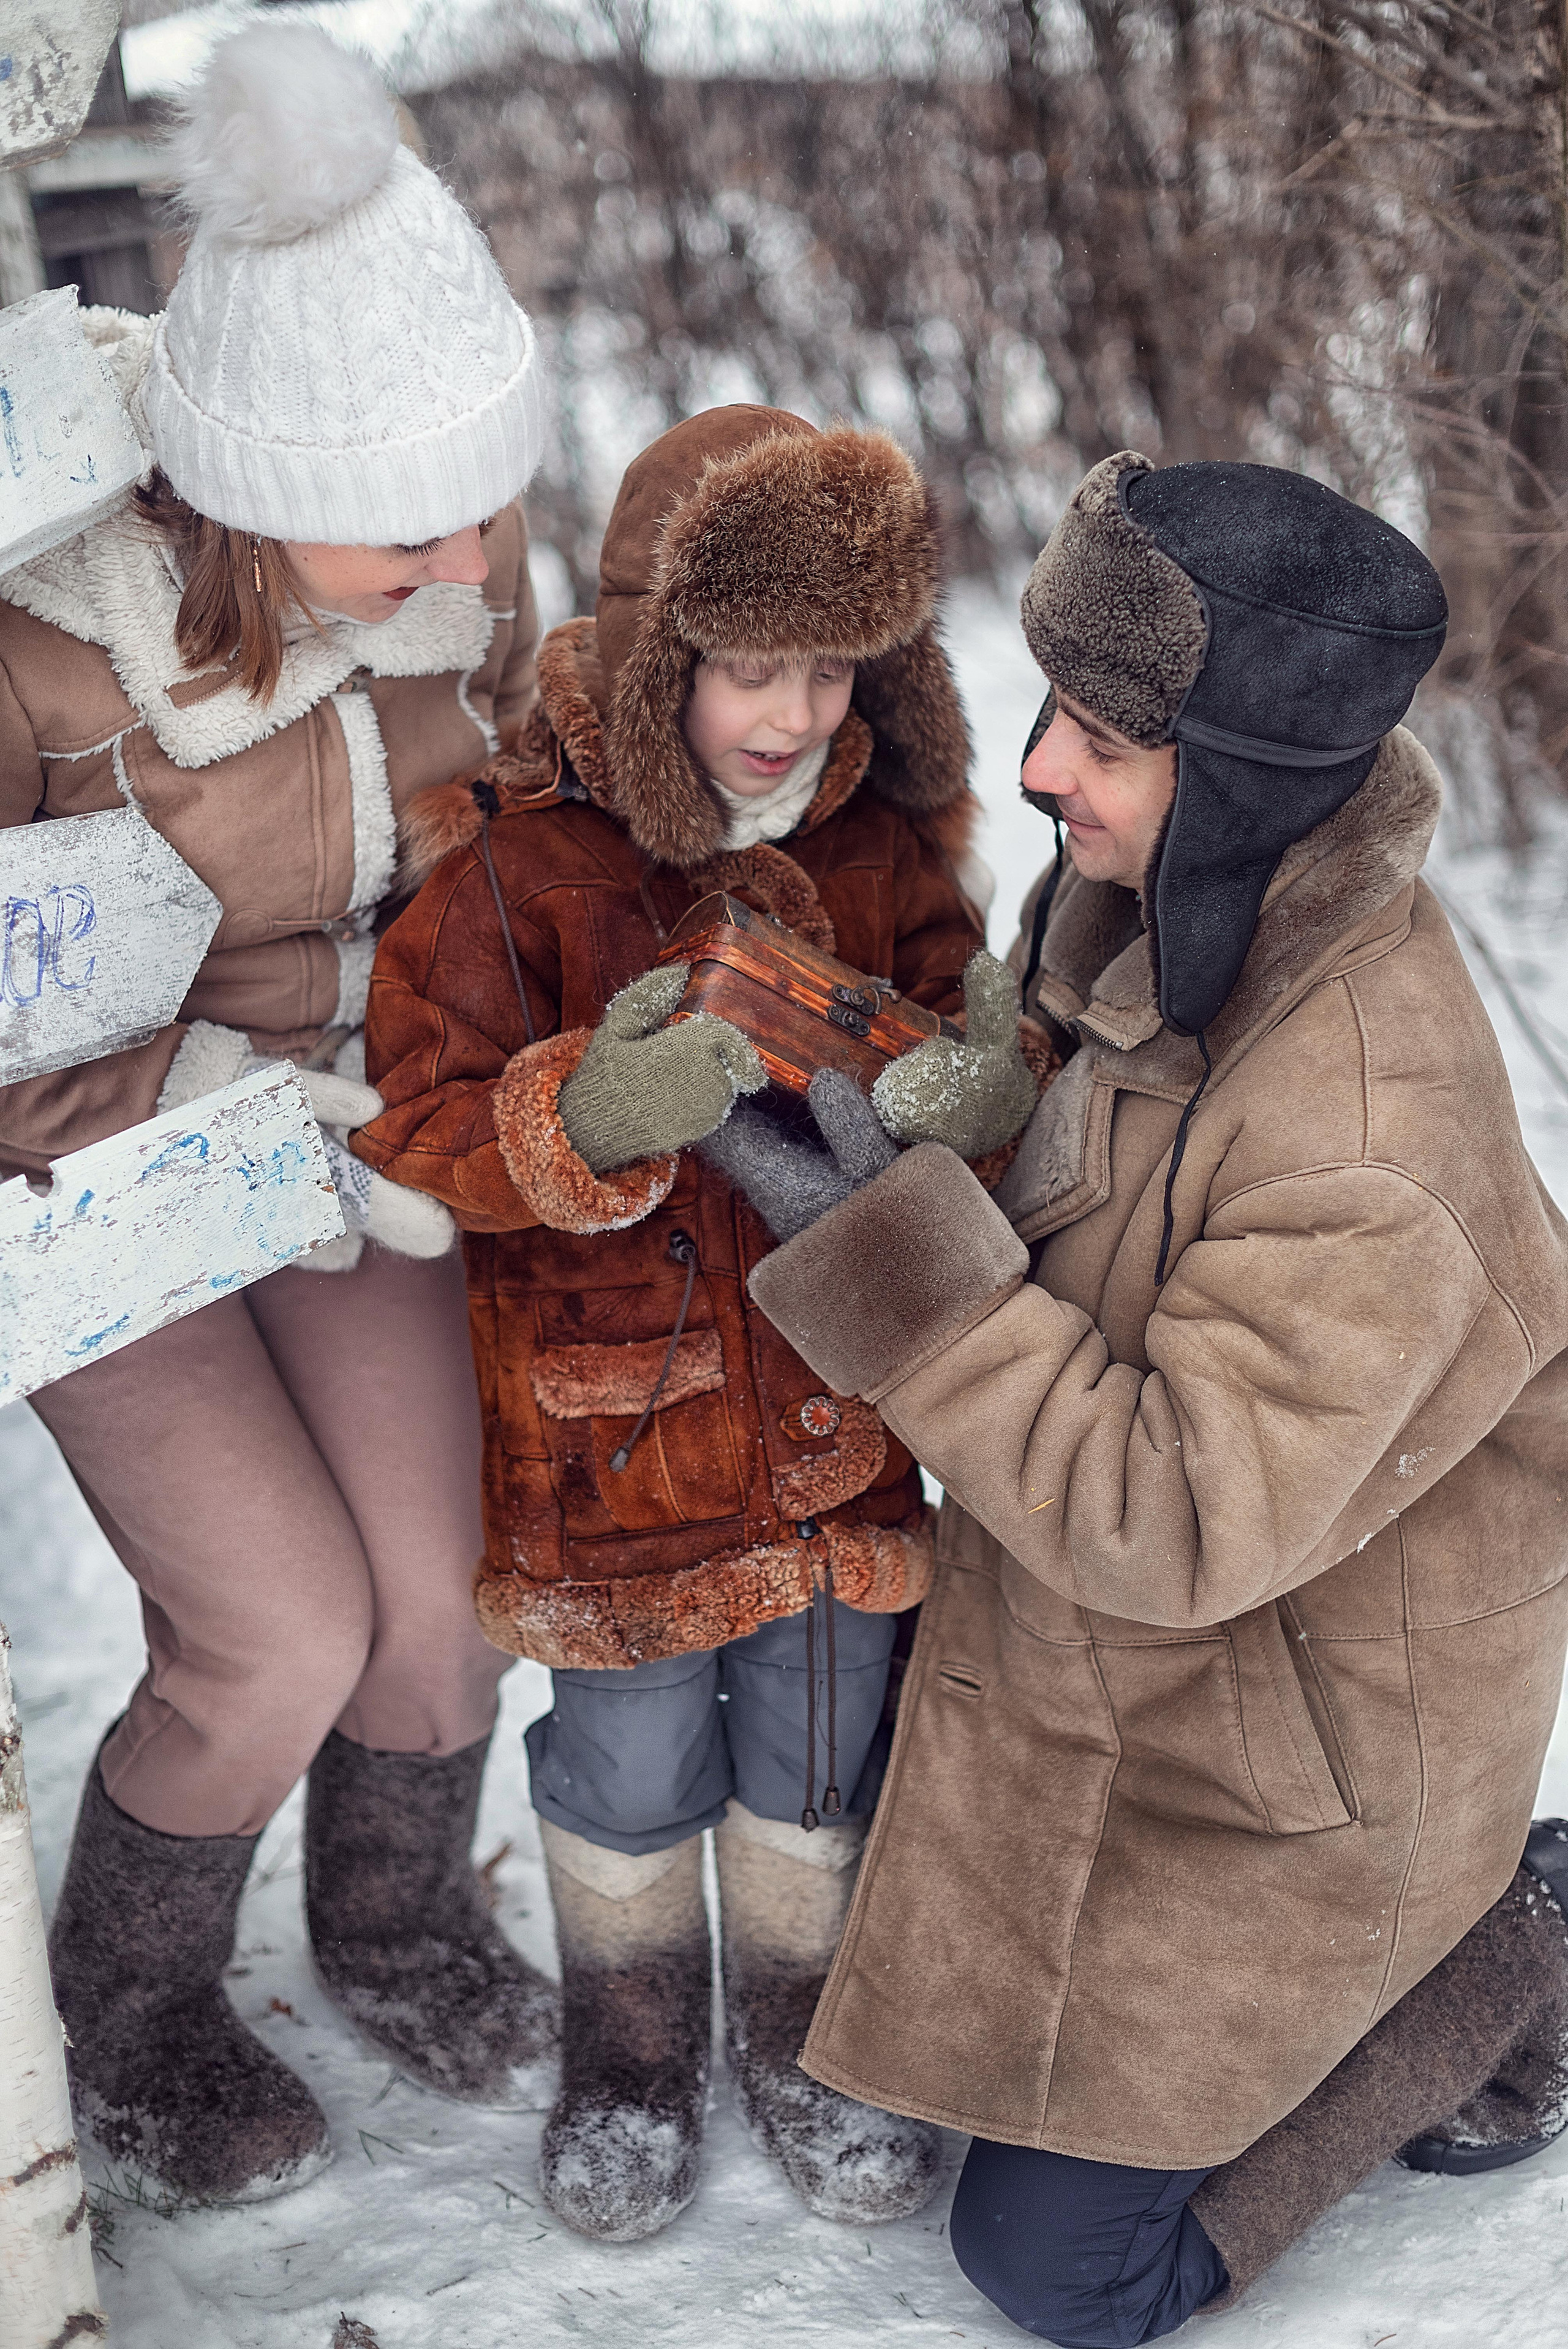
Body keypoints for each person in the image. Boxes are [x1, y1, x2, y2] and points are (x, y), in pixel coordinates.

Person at [713, 450, 1568, 2342]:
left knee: (1059, 2268)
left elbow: (1173, 1517)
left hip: (1301, 1752)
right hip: (1163, 1672)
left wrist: (895, 1252)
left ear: (1244, 774)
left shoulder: (1363, 1124)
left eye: (1100, 733)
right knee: (935, 2063)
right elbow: (1088, 1147)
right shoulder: (1167, 894)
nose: (1036, 770)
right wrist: (903, 1107)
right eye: (1051, 711)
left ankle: (1503, 1950)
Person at [352, 403, 1051, 2242]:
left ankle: (811, 2032)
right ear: (664, 649)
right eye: (751, 663)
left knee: (819, 1750)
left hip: (836, 1437)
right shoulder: (518, 866)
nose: (796, 712)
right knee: (630, 1760)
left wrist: (971, 1082)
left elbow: (969, 1024)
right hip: (619, 1445)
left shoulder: (884, 845)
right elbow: (416, 1123)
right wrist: (575, 1117)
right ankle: (634, 2041)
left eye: (835, 668)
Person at [0, 24, 557, 2203]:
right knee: (280, 1622)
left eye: (486, 500)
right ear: (256, 495)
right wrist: (202, 1103)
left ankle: (395, 1912)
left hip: (350, 1127)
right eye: (410, 523)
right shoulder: (48, 657)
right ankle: (134, 2007)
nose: (469, 554)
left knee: (443, 1595)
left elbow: (518, 842)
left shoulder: (449, 600)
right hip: (90, 1164)